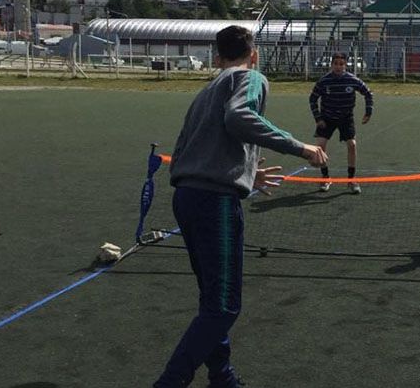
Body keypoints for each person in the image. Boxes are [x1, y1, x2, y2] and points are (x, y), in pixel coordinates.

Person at [154, 25, 327, 388]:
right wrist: (300, 147)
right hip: (213, 202)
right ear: (255, 54)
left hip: (186, 197)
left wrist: (247, 175)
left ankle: (222, 376)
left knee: (211, 300)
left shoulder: (207, 90)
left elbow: (190, 144)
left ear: (217, 57)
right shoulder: (249, 76)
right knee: (223, 307)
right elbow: (239, 118)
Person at [308, 51, 374, 194]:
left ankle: (351, 180)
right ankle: (325, 178)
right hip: (327, 118)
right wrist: (318, 118)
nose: (338, 67)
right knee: (320, 146)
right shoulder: (324, 81)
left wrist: (368, 112)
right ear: (331, 65)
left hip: (346, 118)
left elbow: (368, 93)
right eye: (336, 64)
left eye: (341, 64)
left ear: (345, 65)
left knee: (352, 144)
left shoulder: (352, 80)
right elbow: (312, 99)